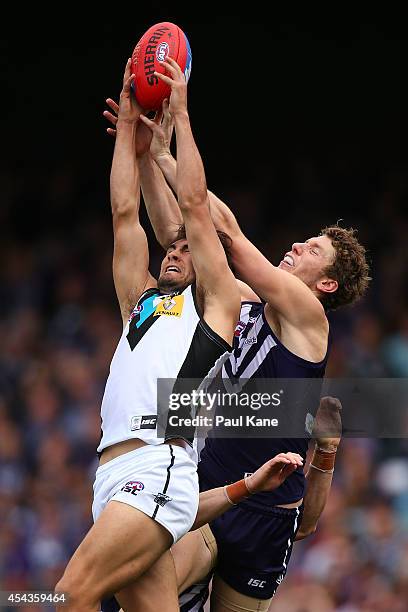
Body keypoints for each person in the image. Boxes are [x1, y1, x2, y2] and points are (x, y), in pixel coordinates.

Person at [102, 60, 367, 611]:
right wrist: (153, 158)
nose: (297, 246)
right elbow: (177, 229)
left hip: (269, 517)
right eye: (303, 240)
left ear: (327, 283)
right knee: (135, 587)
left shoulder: (306, 314)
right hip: (211, 491)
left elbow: (221, 227)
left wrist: (169, 148)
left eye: (311, 250)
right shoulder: (244, 300)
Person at [53, 55, 246, 612]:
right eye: (173, 245)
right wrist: (131, 134)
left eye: (189, 247)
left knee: (65, 596)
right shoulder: (142, 302)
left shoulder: (216, 304)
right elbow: (121, 212)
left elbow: (192, 205)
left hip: (159, 464)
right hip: (112, 473)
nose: (176, 250)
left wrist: (180, 118)